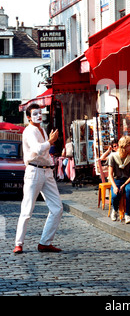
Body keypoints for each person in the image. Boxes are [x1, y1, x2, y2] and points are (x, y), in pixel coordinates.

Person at [13, 104, 63, 254]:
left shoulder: (42, 130)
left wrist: (50, 145)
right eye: (35, 114)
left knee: (57, 207)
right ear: (28, 117)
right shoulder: (29, 131)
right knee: (27, 209)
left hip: (46, 171)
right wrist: (51, 141)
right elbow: (37, 149)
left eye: (40, 113)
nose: (38, 116)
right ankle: (18, 243)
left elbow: (44, 151)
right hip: (34, 170)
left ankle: (45, 242)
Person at [108, 136, 130, 224]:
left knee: (129, 190)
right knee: (115, 195)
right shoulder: (113, 156)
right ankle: (115, 210)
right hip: (117, 180)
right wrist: (115, 186)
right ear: (125, 146)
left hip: (128, 180)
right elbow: (110, 174)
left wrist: (124, 185)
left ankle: (127, 214)